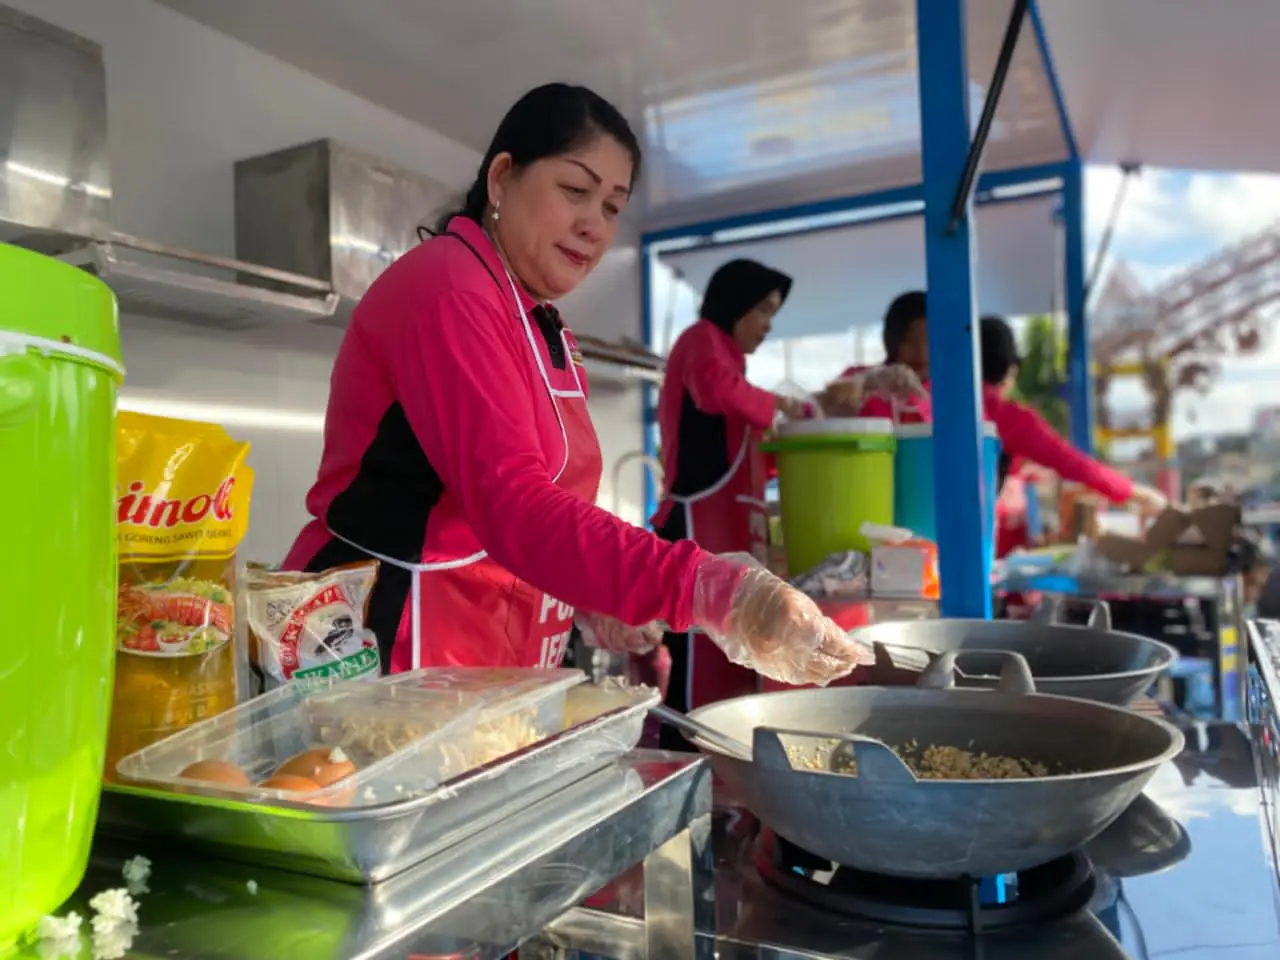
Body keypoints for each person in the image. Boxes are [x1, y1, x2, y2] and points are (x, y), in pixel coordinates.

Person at [283, 83, 869, 688]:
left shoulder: (541, 322)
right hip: (389, 635)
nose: (593, 226)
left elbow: (545, 506)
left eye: (612, 207)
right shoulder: (451, 290)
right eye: (574, 190)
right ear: (502, 179)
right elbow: (514, 506)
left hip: (478, 637)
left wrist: (590, 597)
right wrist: (706, 586)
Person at [649, 259, 813, 740]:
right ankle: (684, 756)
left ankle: (718, 760)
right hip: (695, 526)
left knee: (730, 652)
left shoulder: (734, 366)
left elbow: (748, 456)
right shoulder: (702, 341)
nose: (767, 325)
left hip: (730, 531)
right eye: (762, 310)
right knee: (697, 652)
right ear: (735, 303)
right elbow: (715, 391)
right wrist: (780, 406)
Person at [978, 316, 1166, 547]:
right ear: (1009, 370)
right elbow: (1073, 463)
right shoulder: (1003, 415)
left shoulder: (942, 406)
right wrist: (1142, 495)